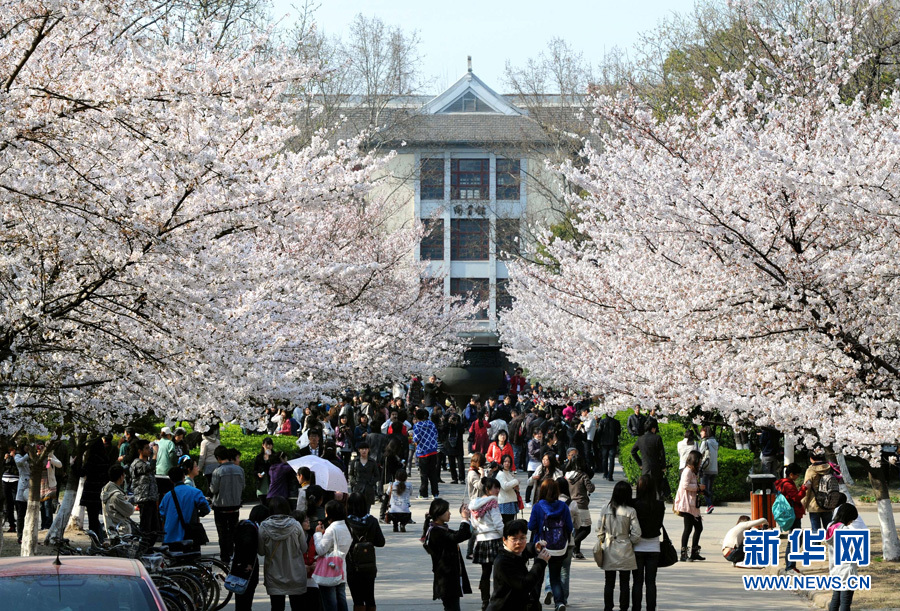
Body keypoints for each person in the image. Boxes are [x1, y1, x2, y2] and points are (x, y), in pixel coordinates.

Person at [528, 478, 574, 611]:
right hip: (559, 548)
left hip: (541, 547)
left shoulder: (538, 506)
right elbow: (570, 527)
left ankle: (534, 602)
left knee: (538, 577)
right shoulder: (563, 506)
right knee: (555, 577)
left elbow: (531, 526)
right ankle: (559, 602)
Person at [485, 519, 550, 611]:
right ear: (505, 540)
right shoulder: (503, 562)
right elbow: (524, 585)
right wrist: (540, 562)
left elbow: (526, 550)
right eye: (514, 539)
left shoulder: (515, 553)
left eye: (522, 538)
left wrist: (535, 547)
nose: (519, 542)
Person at [259, 496, 310, 611]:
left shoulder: (264, 527)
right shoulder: (296, 525)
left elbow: (261, 552)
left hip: (274, 575)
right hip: (295, 574)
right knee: (298, 606)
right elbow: (304, 548)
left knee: (277, 607)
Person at [598, 480, 642, 611]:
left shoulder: (605, 508)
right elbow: (637, 533)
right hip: (625, 548)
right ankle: (624, 607)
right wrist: (630, 541)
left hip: (609, 546)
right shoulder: (630, 511)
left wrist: (603, 540)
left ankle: (608, 607)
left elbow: (600, 530)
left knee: (609, 582)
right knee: (625, 582)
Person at [423, 498, 473, 611]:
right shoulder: (435, 532)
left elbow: (463, 535)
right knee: (452, 607)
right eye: (447, 511)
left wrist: (467, 518)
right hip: (445, 577)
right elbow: (457, 537)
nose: (449, 513)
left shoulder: (442, 528)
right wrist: (464, 518)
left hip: (450, 577)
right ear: (439, 512)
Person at [345, 492, 386, 611]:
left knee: (357, 598)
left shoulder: (346, 523)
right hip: (369, 565)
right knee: (369, 596)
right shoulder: (372, 521)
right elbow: (381, 542)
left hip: (352, 565)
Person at [632, 476, 664, 611]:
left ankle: (636, 608)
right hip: (653, 546)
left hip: (637, 546)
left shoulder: (634, 504)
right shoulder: (659, 505)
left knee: (637, 582)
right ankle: (651, 608)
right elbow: (658, 524)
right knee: (651, 582)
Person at [159, 466, 211, 550]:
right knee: (193, 560)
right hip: (190, 536)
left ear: (171, 480)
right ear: (184, 476)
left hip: (171, 537)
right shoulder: (195, 492)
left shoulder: (166, 497)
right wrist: (197, 515)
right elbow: (206, 509)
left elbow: (162, 515)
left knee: (175, 560)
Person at [231, 504, 271, 611]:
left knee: (240, 598)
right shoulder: (251, 528)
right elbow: (247, 545)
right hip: (247, 567)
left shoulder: (242, 524)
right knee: (246, 598)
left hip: (238, 565)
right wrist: (248, 563)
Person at [210, 444, 245, 565]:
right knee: (233, 531)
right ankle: (233, 553)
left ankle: (224, 557)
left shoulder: (217, 471)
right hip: (235, 506)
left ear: (218, 457)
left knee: (222, 532)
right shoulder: (239, 470)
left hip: (221, 507)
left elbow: (213, 489)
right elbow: (243, 486)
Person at [315, 500, 353, 611]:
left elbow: (321, 549)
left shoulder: (332, 529)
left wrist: (318, 534)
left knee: (330, 602)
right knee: (341, 599)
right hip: (341, 568)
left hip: (329, 569)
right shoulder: (346, 526)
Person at [826, 504, 860, 611]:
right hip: (847, 571)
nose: (851, 522)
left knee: (835, 600)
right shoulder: (845, 531)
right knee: (845, 602)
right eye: (851, 520)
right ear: (847, 517)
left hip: (835, 569)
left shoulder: (830, 527)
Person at [674, 450, 706, 561]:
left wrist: (699, 489)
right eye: (700, 460)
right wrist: (698, 487)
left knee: (699, 527)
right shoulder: (687, 471)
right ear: (695, 460)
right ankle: (683, 554)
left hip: (693, 504)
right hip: (686, 504)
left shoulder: (693, 471)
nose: (700, 462)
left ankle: (694, 552)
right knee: (688, 529)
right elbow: (685, 485)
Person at [775, 463, 807, 572]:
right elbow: (797, 497)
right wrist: (804, 488)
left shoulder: (783, 483)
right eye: (797, 475)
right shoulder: (788, 485)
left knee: (794, 539)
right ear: (791, 474)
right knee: (794, 540)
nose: (798, 477)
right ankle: (790, 566)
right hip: (793, 515)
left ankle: (790, 565)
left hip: (790, 515)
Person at [82, 436, 113, 542]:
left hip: (91, 490)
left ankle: (96, 541)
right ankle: (99, 539)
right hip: (100, 490)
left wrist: (73, 465)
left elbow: (82, 472)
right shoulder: (105, 457)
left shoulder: (93, 458)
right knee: (95, 517)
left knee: (92, 518)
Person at [564, 456, 595, 559]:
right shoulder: (583, 476)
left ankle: (576, 551)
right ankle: (574, 543)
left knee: (577, 528)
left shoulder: (567, 476)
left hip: (570, 503)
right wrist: (592, 485)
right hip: (581, 504)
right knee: (586, 529)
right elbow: (590, 489)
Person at [802, 452, 841, 532]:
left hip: (814, 505)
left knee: (816, 530)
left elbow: (807, 489)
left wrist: (803, 505)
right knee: (829, 529)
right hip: (828, 503)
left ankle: (816, 544)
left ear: (811, 459)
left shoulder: (810, 471)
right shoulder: (830, 469)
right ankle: (832, 544)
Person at [630, 419, 667, 499]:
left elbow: (633, 451)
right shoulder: (657, 438)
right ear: (653, 428)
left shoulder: (640, 438)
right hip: (656, 468)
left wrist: (640, 463)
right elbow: (662, 454)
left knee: (645, 488)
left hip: (645, 467)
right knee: (657, 490)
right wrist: (663, 466)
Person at [130, 439, 160, 538]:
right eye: (146, 448)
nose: (149, 451)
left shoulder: (147, 463)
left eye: (149, 448)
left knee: (153, 526)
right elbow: (148, 468)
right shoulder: (137, 463)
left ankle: (149, 547)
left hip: (151, 497)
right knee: (146, 525)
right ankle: (144, 547)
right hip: (144, 498)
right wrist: (155, 455)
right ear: (140, 451)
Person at [413, 408, 441, 499]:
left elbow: (416, 439)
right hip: (433, 451)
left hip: (423, 452)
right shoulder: (431, 424)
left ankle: (423, 493)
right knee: (433, 473)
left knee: (424, 474)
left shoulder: (417, 426)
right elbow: (436, 435)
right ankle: (435, 493)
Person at [101, 464, 135, 536]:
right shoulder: (116, 495)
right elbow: (130, 510)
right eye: (124, 474)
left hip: (112, 529)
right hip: (120, 530)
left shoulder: (106, 490)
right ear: (121, 477)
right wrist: (128, 502)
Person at [349, 442, 380, 514]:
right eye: (362, 449)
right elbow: (351, 474)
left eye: (366, 449)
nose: (364, 451)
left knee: (367, 510)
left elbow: (377, 476)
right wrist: (354, 482)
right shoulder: (355, 462)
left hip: (368, 488)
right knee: (356, 509)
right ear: (359, 450)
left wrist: (371, 482)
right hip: (357, 488)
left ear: (368, 450)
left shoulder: (372, 462)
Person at [465, 453, 485, 559]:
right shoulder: (472, 473)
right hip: (475, 503)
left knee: (478, 527)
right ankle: (470, 551)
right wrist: (482, 474)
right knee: (474, 528)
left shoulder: (475, 471)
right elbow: (479, 486)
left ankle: (475, 551)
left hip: (479, 502)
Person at [39, 449, 63, 529]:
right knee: (42, 506)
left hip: (49, 483)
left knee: (47, 504)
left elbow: (59, 464)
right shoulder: (35, 456)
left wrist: (50, 459)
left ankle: (48, 525)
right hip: (39, 484)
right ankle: (43, 525)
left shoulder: (50, 455)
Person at [698, 427, 719, 513]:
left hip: (706, 468)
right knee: (709, 489)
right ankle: (709, 505)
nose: (700, 433)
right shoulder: (715, 442)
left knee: (703, 488)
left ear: (706, 432)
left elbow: (699, 453)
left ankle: (709, 505)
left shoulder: (705, 442)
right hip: (714, 468)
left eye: (702, 432)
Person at [496, 455, 520, 525]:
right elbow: (505, 486)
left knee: (511, 523)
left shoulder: (508, 473)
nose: (507, 463)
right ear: (502, 463)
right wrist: (516, 481)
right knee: (507, 524)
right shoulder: (501, 474)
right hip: (505, 502)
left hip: (511, 501)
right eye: (505, 461)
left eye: (509, 462)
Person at [386, 468, 411, 532]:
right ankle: (403, 524)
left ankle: (395, 525)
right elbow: (410, 493)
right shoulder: (409, 485)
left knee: (394, 514)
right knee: (406, 512)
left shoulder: (392, 484)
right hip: (405, 512)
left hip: (393, 512)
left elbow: (388, 492)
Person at [445, 413, 466, 484]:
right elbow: (443, 429)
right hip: (449, 446)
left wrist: (456, 423)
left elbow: (462, 431)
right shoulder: (448, 425)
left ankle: (462, 478)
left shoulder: (459, 424)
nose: (453, 420)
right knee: (451, 463)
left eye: (455, 418)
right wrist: (448, 422)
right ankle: (454, 478)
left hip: (458, 446)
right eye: (452, 418)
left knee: (460, 463)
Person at [253, 438, 275, 503]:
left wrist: (269, 458)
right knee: (263, 502)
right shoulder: (259, 457)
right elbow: (255, 470)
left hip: (272, 482)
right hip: (262, 484)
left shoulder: (275, 456)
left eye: (270, 444)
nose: (268, 446)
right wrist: (258, 474)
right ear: (263, 445)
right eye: (266, 445)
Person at [3, 445, 19, 534]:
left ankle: (20, 524)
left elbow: (20, 465)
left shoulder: (19, 455)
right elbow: (3, 466)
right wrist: (5, 459)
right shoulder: (4, 454)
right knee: (8, 504)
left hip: (15, 479)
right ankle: (11, 525)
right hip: (5, 479)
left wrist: (14, 457)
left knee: (17, 502)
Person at [525, 429, 543, 507]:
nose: (539, 435)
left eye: (540, 433)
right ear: (534, 434)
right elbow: (532, 452)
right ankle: (527, 500)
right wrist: (541, 450)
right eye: (537, 434)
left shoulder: (543, 442)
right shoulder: (531, 442)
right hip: (532, 464)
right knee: (530, 483)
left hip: (540, 464)